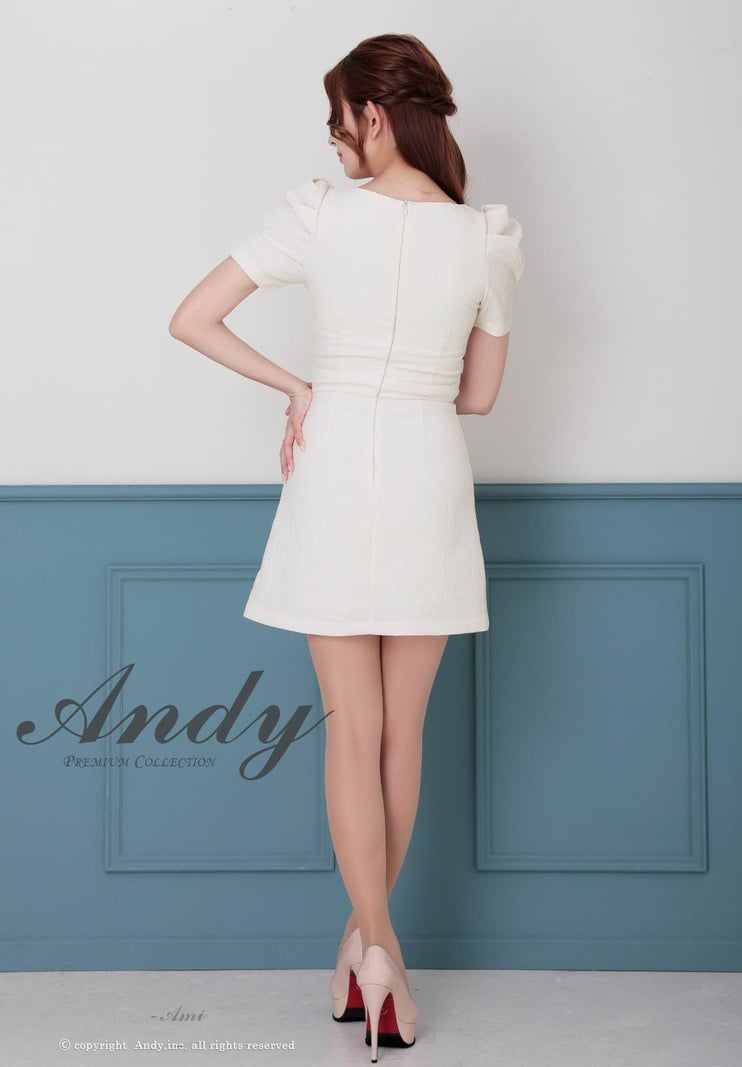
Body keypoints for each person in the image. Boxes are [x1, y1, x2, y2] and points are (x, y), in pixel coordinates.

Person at [169, 32, 524, 1064]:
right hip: (426, 472)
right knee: (400, 737)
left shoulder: (318, 216)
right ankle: (373, 948)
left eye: (338, 119)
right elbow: (479, 396)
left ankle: (370, 946)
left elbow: (191, 318)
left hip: (332, 471)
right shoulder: (487, 236)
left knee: (347, 735)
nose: (331, 140)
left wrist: (299, 386)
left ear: (375, 113)